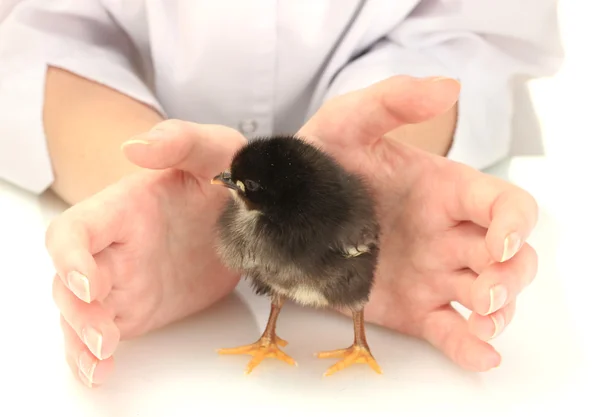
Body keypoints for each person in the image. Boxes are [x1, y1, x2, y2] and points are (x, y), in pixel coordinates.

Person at [0, 1, 562, 387]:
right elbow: (31, 27)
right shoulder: (241, 219)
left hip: (384, 173)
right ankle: (270, 333)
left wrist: (381, 153)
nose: (227, 190)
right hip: (117, 126)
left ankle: (355, 339)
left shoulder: (332, 222)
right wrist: (143, 178)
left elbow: (479, 29)